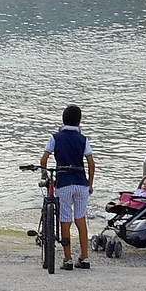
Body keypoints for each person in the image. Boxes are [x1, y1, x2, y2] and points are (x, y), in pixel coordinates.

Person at [44, 105, 96, 269]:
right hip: (81, 183)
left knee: (65, 220)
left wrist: (44, 175)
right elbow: (91, 163)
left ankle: (68, 259)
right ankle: (84, 257)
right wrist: (90, 183)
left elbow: (43, 159)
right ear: (79, 121)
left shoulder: (55, 138)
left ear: (63, 120)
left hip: (64, 183)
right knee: (80, 219)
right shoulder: (83, 139)